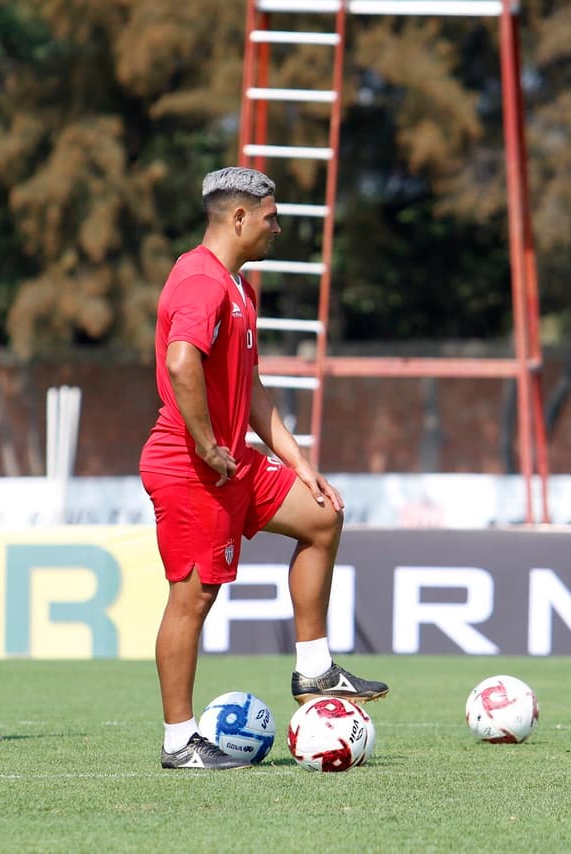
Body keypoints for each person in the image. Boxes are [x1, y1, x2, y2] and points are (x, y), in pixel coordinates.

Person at [140, 166, 389, 770]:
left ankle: (313, 669)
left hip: (231, 461)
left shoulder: (240, 288)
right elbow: (180, 364)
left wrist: (301, 464)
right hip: (191, 462)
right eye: (272, 217)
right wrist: (204, 443)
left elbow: (250, 387)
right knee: (191, 601)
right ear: (239, 218)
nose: (278, 228)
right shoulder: (199, 279)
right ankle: (179, 743)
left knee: (322, 517)